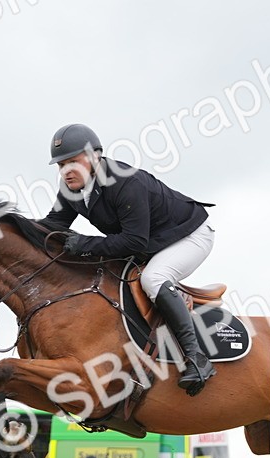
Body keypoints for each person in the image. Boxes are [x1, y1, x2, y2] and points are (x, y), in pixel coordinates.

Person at [39, 123, 217, 395]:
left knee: (153, 278)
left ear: (95, 157)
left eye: (73, 161)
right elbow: (54, 225)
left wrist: (84, 243)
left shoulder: (125, 183)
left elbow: (135, 241)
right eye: (61, 164)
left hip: (189, 236)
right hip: (149, 243)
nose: (66, 170)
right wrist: (18, 232)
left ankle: (197, 358)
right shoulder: (71, 185)